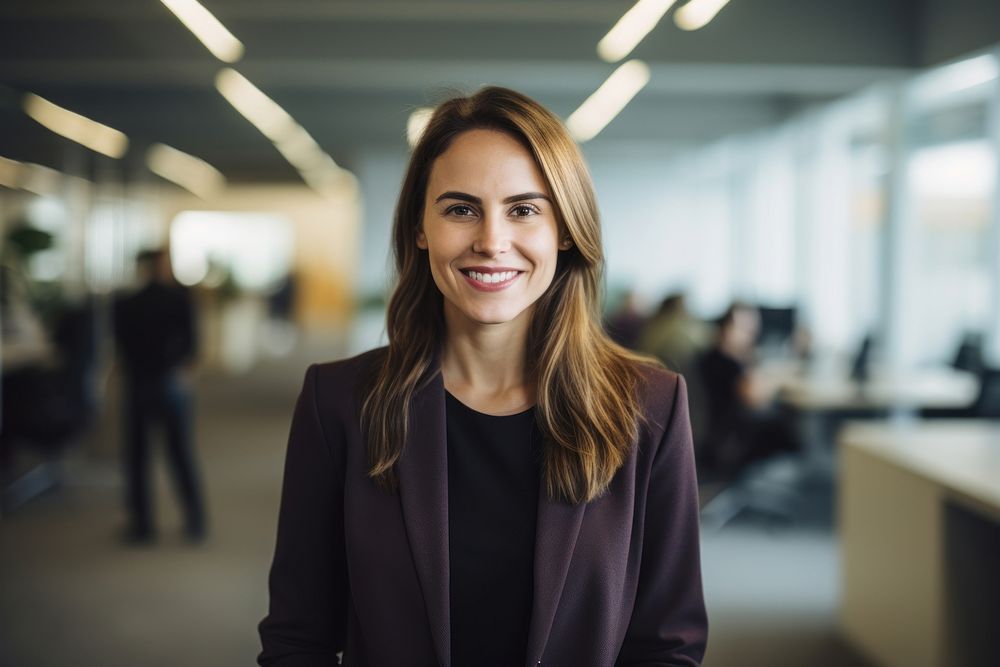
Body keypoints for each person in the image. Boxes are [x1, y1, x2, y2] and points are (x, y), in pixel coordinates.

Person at [258, 87, 707, 666]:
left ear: (565, 230)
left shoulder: (650, 407)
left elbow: (668, 645)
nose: (492, 241)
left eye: (524, 210)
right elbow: (299, 639)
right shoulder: (340, 403)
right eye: (460, 209)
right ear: (421, 227)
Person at [112, 249, 205, 543]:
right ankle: (196, 521)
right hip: (171, 382)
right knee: (180, 453)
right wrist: (183, 370)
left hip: (139, 383)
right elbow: (192, 344)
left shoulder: (126, 303)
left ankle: (142, 526)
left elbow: (121, 348)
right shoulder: (180, 299)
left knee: (138, 456)